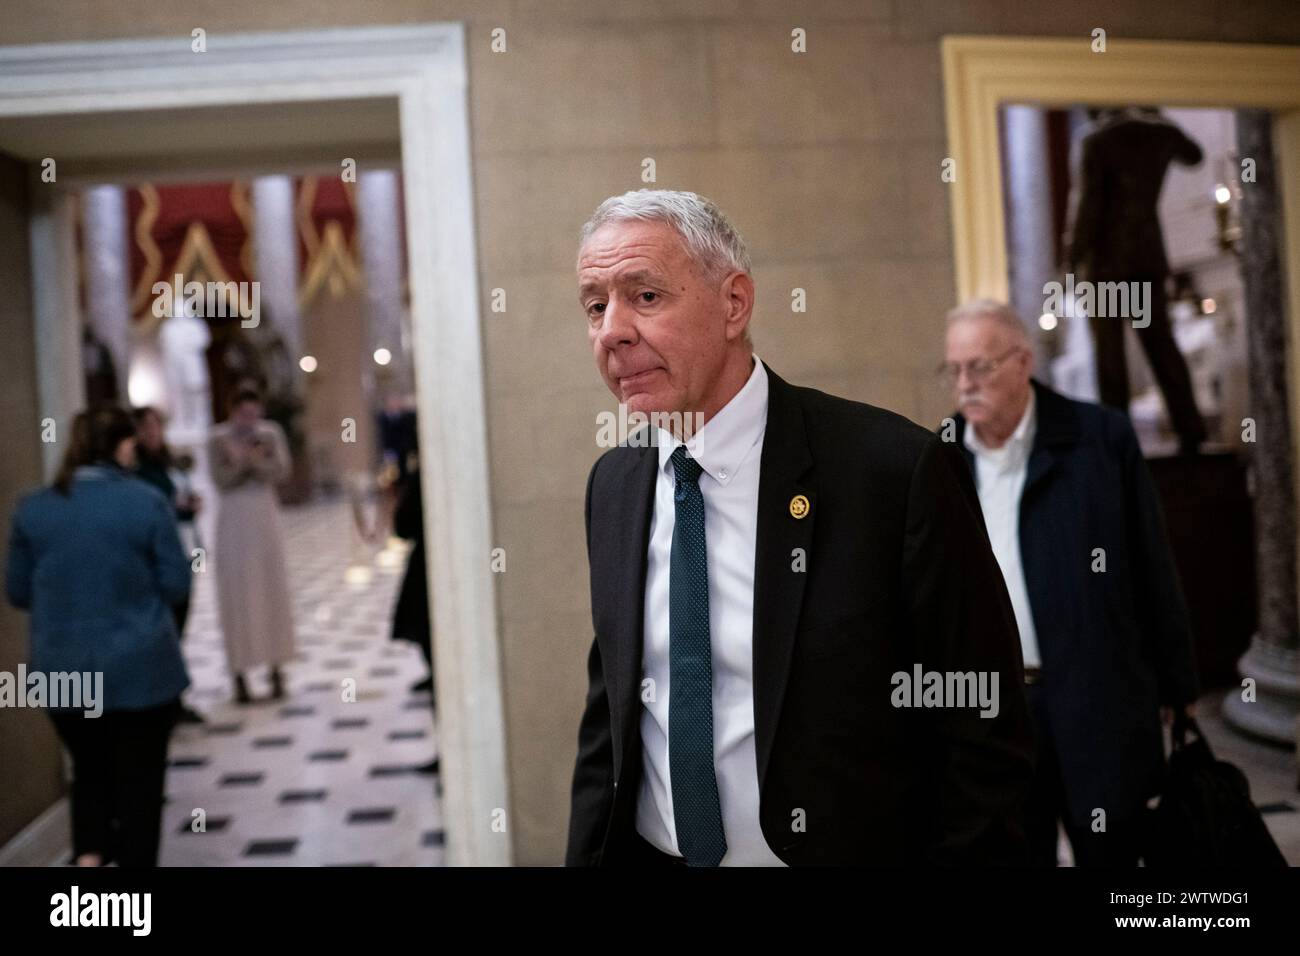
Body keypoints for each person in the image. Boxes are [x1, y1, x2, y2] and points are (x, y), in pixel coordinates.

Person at [566, 189, 1034, 867]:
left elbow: (984, 728)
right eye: (594, 305)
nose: (612, 330)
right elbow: (608, 724)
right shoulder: (614, 486)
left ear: (734, 303)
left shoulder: (892, 472)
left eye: (644, 297)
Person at [940, 299, 1200, 866]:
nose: (964, 385)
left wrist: (1178, 688)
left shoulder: (1098, 439)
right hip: (999, 712)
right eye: (954, 370)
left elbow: (1152, 565)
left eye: (979, 367)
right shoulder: (939, 458)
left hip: (1097, 696)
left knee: (1111, 852)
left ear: (1023, 362)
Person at [6, 406, 191, 867]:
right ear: (122, 446)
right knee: (140, 786)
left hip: (61, 669)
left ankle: (89, 860)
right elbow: (177, 584)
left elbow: (17, 591)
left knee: (88, 771)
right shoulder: (145, 501)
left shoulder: (33, 508)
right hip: (138, 667)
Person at [1066, 106, 1207, 453]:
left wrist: (1070, 257)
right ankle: (1190, 427)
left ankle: (1117, 439)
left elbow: (1088, 205)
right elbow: (1196, 155)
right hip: (1146, 258)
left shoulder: (1096, 140)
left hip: (1107, 266)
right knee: (1162, 348)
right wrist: (1159, 119)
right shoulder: (1160, 132)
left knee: (1111, 357)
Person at [208, 387, 296, 704]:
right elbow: (221, 480)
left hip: (263, 515)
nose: (250, 420)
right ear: (233, 412)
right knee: (237, 593)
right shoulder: (218, 438)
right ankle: (240, 675)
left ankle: (276, 669)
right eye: (244, 413)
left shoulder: (270, 433)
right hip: (233, 519)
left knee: (271, 589)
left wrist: (251, 462)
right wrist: (243, 464)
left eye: (254, 413)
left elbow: (281, 470)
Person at [132, 406, 204, 723]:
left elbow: (178, 496)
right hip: (156, 557)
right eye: (145, 428)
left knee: (179, 627)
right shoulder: (136, 469)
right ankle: (161, 701)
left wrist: (191, 505)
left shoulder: (168, 461)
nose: (152, 433)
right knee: (164, 629)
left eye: (155, 427)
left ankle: (173, 698)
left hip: (183, 548)